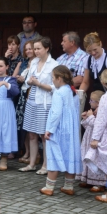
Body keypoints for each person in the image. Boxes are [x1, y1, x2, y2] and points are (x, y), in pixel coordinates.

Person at [40, 65, 82, 196]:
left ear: (59, 78)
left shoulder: (58, 93)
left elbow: (56, 113)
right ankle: (68, 186)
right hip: (70, 129)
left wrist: (49, 130)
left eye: (52, 78)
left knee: (55, 154)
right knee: (69, 154)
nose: (52, 80)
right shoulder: (71, 91)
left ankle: (49, 187)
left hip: (59, 129)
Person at [19, 37, 59, 174]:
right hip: (32, 100)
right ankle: (31, 164)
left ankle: (46, 165)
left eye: (38, 48)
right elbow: (27, 83)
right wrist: (29, 81)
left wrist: (39, 84)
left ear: (46, 48)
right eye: (34, 48)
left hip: (45, 102)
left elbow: (56, 87)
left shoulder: (54, 65)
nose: (35, 51)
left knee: (44, 135)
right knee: (31, 134)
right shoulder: (34, 62)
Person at [83, 69, 107, 196]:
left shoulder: (106, 97)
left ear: (102, 81)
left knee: (106, 159)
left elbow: (101, 120)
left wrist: (95, 138)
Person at [0, 57, 19, 170]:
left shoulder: (10, 80)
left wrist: (6, 84)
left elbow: (16, 92)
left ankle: (4, 158)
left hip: (6, 107)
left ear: (6, 66)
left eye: (1, 66)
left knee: (6, 130)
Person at [76, 91, 105, 190]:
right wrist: (86, 118)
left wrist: (91, 117)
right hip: (88, 138)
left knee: (96, 159)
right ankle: (89, 180)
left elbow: (98, 125)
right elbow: (88, 126)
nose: (90, 102)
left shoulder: (102, 112)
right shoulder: (94, 111)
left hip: (97, 139)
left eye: (92, 100)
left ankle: (100, 183)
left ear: (98, 102)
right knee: (87, 157)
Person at [80, 32, 107, 111]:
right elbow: (85, 82)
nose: (93, 53)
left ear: (100, 44)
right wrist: (79, 95)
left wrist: (103, 103)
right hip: (96, 98)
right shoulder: (87, 60)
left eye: (95, 49)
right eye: (89, 51)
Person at [13, 40, 35, 164]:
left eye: (30, 48)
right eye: (26, 49)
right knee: (23, 126)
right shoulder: (25, 62)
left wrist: (24, 79)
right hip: (22, 95)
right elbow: (15, 76)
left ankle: (33, 154)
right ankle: (27, 151)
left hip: (30, 95)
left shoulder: (37, 63)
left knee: (31, 127)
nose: (28, 51)